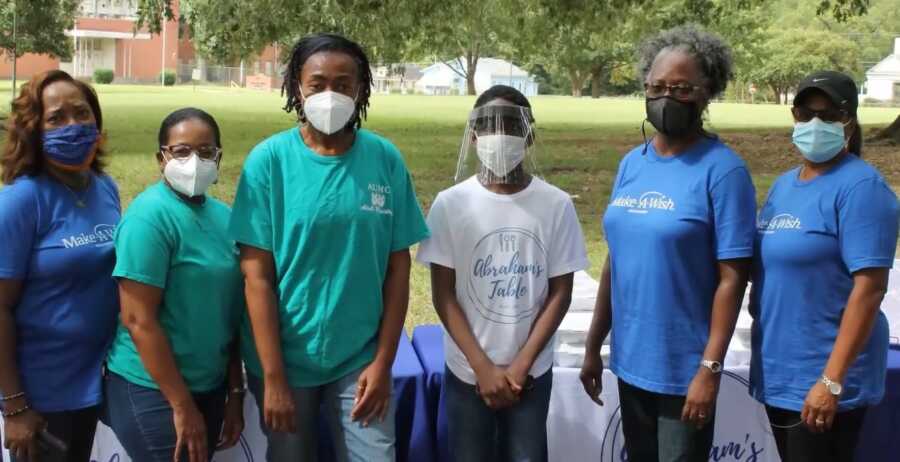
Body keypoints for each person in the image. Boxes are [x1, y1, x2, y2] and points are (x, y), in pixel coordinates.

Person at [229, 33, 429, 462]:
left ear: (361, 90)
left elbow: (398, 269)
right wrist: (274, 376)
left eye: (343, 83)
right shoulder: (268, 163)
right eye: (318, 84)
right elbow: (256, 278)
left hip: (359, 357)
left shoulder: (384, 160)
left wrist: (382, 362)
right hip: (284, 359)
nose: (331, 94)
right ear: (296, 88)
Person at [580, 26, 757, 461]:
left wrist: (709, 369)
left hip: (685, 371)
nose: (666, 97)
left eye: (680, 88)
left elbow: (732, 280)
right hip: (631, 360)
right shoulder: (631, 164)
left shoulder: (724, 172)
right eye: (657, 86)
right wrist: (593, 346)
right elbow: (615, 262)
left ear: (706, 92)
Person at [417, 85, 589, 462]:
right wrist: (482, 367)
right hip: (467, 368)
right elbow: (443, 294)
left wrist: (522, 363)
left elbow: (560, 292)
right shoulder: (451, 204)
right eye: (489, 126)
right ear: (474, 135)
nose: (500, 136)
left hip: (531, 369)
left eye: (511, 125)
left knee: (526, 454)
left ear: (529, 136)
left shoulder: (555, 205)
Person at [749, 71, 899, 462]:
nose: (815, 123)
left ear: (849, 120)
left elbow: (870, 289)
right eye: (805, 112)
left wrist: (831, 381)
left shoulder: (862, 189)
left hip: (825, 375)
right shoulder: (785, 185)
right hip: (783, 369)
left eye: (829, 113)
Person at [103, 108, 246, 462]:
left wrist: (235, 393)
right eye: (181, 151)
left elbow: (232, 315)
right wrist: (182, 406)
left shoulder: (225, 218)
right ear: (160, 158)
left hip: (208, 385)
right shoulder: (148, 218)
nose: (194, 161)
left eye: (205, 151)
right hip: (152, 389)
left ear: (219, 157)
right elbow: (138, 320)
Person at [0, 70, 120, 462]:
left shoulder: (105, 188)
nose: (73, 126)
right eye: (56, 118)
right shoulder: (22, 200)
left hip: (97, 383)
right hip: (41, 396)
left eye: (82, 113)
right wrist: (14, 406)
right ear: (33, 129)